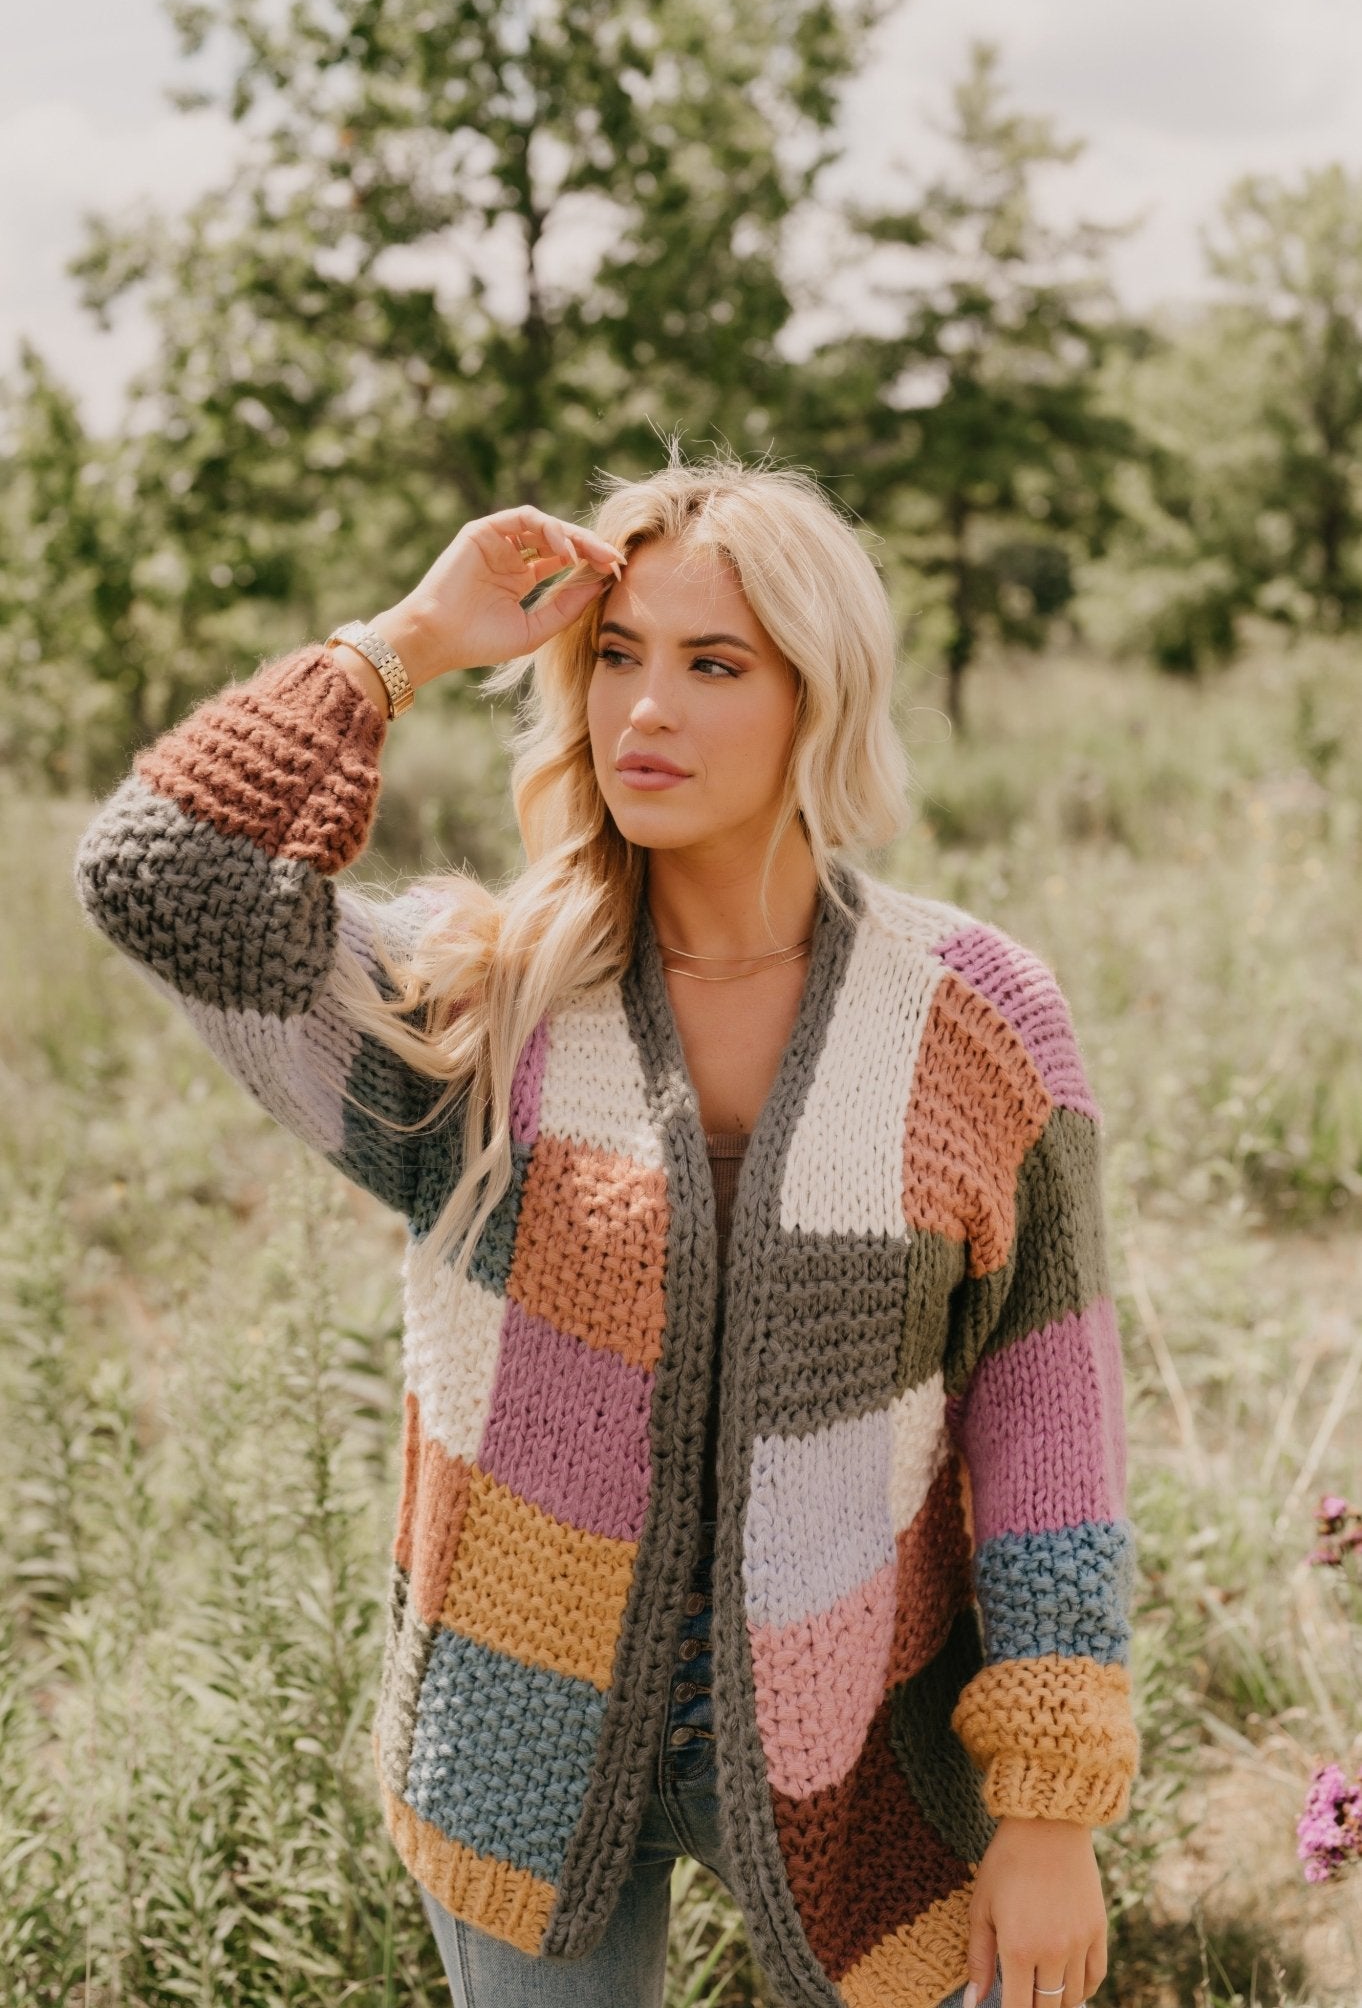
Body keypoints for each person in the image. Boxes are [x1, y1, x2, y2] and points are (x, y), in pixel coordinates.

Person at [72, 450, 1139, 2008]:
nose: (644, 709)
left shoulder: (973, 1023)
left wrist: (1047, 1811)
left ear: (817, 696)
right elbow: (161, 874)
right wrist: (402, 643)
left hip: (871, 1741)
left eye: (713, 665)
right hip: (512, 1745)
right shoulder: (482, 1001)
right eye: (616, 656)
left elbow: (1046, 1424)